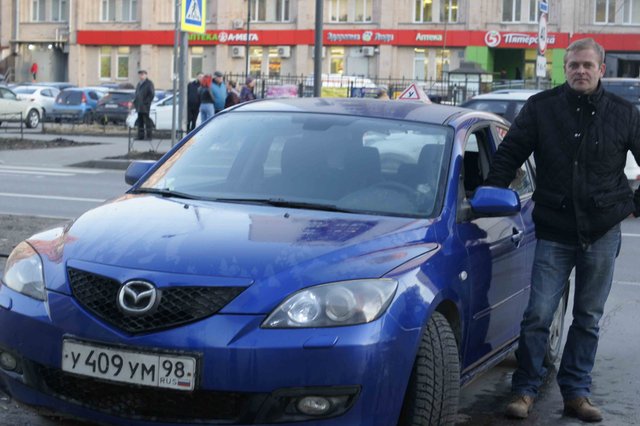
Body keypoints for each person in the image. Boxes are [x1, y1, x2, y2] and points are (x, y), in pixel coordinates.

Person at [485, 38, 640, 423]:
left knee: (587, 316)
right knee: (538, 313)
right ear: (565, 68)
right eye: (574, 65)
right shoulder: (541, 108)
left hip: (602, 231)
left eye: (588, 65)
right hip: (554, 229)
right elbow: (509, 154)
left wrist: (634, 207)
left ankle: (576, 393)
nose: (581, 71)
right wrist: (490, 194)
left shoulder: (625, 113)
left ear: (602, 69)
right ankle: (525, 389)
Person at [133, 70, 155, 140]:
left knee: (147, 121)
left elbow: (151, 94)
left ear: (146, 75)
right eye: (140, 74)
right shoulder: (139, 84)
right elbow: (137, 94)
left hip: (145, 106)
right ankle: (140, 136)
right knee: (140, 122)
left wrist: (146, 102)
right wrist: (135, 102)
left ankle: (149, 136)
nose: (141, 76)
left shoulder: (149, 83)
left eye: (142, 74)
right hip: (139, 106)